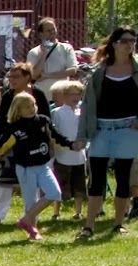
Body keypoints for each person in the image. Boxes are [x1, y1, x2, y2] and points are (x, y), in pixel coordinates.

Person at [77, 27, 138, 240]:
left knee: (123, 178)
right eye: (125, 40)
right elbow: (87, 105)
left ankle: (118, 224)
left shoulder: (136, 69)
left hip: (128, 130)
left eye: (133, 40)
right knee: (96, 179)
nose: (130, 44)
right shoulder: (100, 71)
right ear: (114, 43)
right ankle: (89, 226)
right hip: (101, 130)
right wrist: (81, 135)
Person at [0, 93, 73, 238]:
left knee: (54, 193)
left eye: (33, 105)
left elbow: (56, 137)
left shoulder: (43, 121)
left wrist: (71, 144)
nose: (31, 109)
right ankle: (33, 231)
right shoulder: (14, 127)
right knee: (30, 201)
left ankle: (26, 219)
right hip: (25, 169)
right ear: (18, 110)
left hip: (43, 166)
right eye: (27, 107)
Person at [0, 66, 51, 227]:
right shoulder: (8, 96)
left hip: (35, 145)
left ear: (27, 77)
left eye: (16, 76)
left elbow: (46, 119)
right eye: (10, 77)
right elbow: (2, 123)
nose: (12, 80)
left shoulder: (38, 94)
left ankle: (31, 215)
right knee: (5, 179)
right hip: (12, 144)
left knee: (34, 181)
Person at [51, 80, 88, 221]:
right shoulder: (57, 113)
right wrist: (66, 145)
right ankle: (56, 212)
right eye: (72, 94)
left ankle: (78, 212)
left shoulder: (82, 113)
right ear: (64, 95)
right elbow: (55, 133)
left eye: (78, 94)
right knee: (60, 184)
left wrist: (83, 143)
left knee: (79, 185)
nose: (75, 97)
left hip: (79, 156)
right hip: (63, 155)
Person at [28, 18, 79, 86]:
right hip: (41, 91)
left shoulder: (66, 48)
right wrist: (44, 54)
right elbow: (33, 75)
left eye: (53, 29)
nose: (52, 32)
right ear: (41, 34)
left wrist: (47, 75)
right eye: (48, 31)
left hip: (61, 90)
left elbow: (73, 70)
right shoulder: (33, 52)